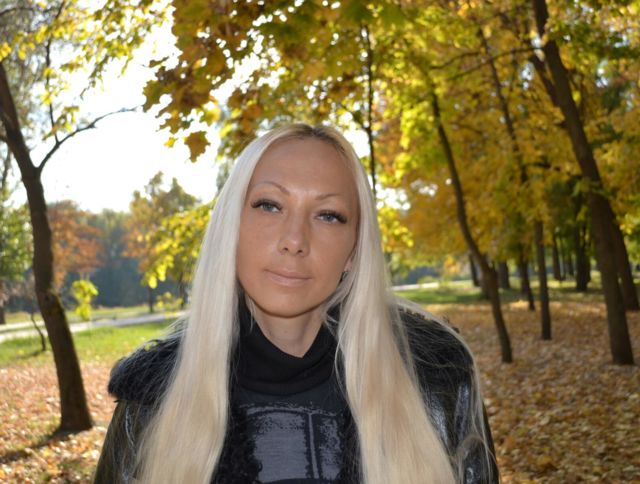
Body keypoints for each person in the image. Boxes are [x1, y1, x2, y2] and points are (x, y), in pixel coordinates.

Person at [94, 123, 499, 484]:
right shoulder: (153, 394)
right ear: (231, 226)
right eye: (269, 205)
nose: (294, 240)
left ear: (354, 250)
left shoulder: (437, 376)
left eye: (328, 215)